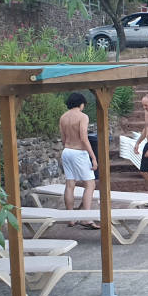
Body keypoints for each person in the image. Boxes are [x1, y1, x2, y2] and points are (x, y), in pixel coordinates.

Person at [58, 92, 99, 229]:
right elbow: (84, 138)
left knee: (70, 184)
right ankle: (86, 219)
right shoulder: (83, 116)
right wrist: (93, 157)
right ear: (81, 104)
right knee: (90, 184)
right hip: (79, 152)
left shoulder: (63, 117)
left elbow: (63, 139)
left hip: (67, 151)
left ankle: (70, 218)